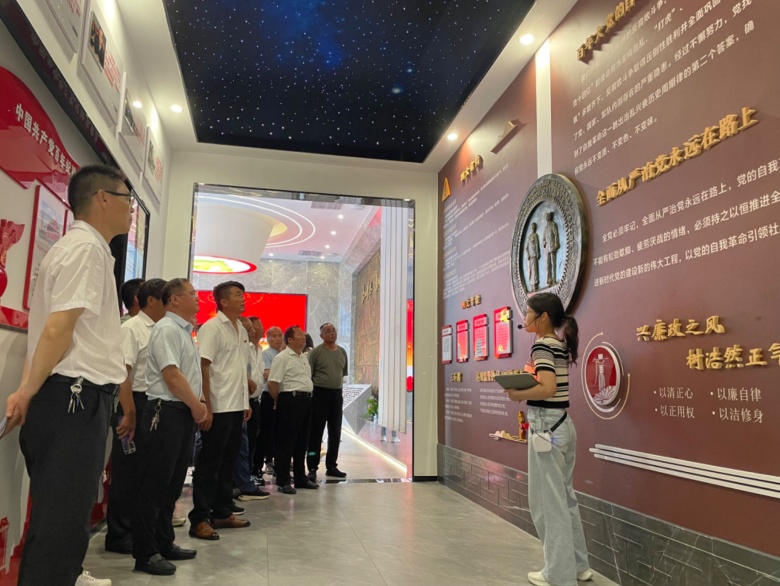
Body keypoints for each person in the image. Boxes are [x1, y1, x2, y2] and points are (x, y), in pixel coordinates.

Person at [3, 164, 133, 586]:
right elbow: (58, 328)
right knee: (61, 519)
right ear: (103, 199)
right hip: (72, 400)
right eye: (127, 198)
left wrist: (30, 390)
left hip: (71, 399)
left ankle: (68, 575)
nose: (131, 209)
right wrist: (27, 391)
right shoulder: (85, 250)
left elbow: (54, 330)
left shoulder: (85, 248)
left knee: (65, 512)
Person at [503, 292, 591, 586]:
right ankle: (578, 566)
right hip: (562, 425)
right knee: (565, 498)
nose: (524, 317)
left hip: (546, 427)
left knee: (547, 503)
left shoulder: (542, 345)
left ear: (542, 317)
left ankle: (558, 573)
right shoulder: (559, 344)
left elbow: (548, 388)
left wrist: (519, 394)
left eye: (528, 312)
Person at [131, 278, 208, 575]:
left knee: (173, 484)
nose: (197, 298)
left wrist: (196, 404)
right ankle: (145, 553)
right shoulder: (166, 329)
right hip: (165, 412)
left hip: (182, 413)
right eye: (192, 293)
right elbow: (172, 375)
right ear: (174, 299)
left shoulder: (184, 331)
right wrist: (197, 405)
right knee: (155, 485)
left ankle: (164, 542)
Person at [189, 281, 264, 541]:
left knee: (227, 463)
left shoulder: (240, 329)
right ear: (223, 301)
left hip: (235, 406)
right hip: (218, 407)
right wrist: (206, 405)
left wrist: (245, 402)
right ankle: (199, 518)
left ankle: (221, 512)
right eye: (237, 295)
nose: (243, 299)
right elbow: (203, 366)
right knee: (209, 464)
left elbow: (237, 368)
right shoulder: (212, 328)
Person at [105, 277, 167, 554]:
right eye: (166, 298)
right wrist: (128, 412)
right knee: (127, 471)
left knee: (145, 471)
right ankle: (119, 535)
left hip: (152, 404)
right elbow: (123, 373)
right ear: (151, 301)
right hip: (133, 404)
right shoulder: (132, 328)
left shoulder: (160, 329)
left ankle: (139, 531)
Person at [267, 325, 318, 494]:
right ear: (289, 339)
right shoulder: (282, 358)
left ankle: (300, 478)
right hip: (290, 401)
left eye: (303, 334)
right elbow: (273, 383)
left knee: (302, 441)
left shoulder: (303, 357)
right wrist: (280, 402)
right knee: (286, 442)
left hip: (306, 400)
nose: (304, 337)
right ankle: (283, 480)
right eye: (299, 334)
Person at [307, 323, 348, 480]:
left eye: (333, 330)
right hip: (319, 394)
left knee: (335, 432)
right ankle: (312, 466)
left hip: (336, 395)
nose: (332, 333)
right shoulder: (316, 352)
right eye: (328, 331)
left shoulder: (342, 352)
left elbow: (342, 374)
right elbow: (309, 374)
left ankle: (332, 465)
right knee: (316, 432)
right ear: (321, 335)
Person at [254, 325, 283, 477]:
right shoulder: (266, 354)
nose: (278, 339)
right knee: (265, 432)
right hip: (268, 395)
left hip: (281, 395)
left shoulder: (283, 354)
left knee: (278, 432)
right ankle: (258, 466)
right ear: (268, 338)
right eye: (274, 336)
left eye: (280, 335)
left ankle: (276, 463)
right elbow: (267, 374)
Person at [543, 212, 560, 287]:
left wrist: (556, 244)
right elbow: (543, 239)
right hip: (547, 249)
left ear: (550, 217)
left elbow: (556, 235)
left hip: (552, 247)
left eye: (548, 216)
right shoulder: (545, 228)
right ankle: (549, 281)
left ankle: (554, 280)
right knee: (548, 265)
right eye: (546, 216)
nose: (547, 217)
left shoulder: (553, 225)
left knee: (553, 264)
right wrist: (544, 243)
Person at [526, 223, 540, 292]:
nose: (533, 228)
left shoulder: (536, 235)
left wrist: (538, 253)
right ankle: (532, 285)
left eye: (534, 227)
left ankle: (535, 285)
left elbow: (537, 245)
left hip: (534, 255)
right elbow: (526, 247)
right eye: (532, 227)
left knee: (535, 271)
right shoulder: (529, 237)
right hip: (531, 256)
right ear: (531, 228)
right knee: (531, 271)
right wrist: (528, 255)